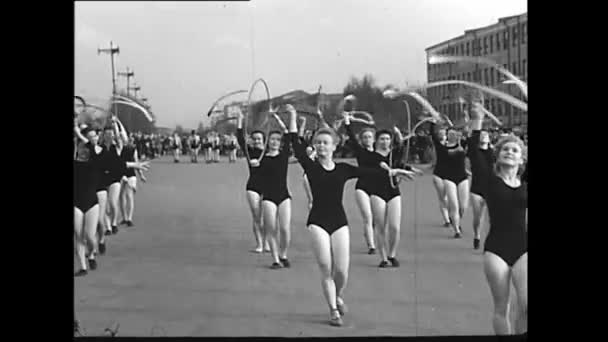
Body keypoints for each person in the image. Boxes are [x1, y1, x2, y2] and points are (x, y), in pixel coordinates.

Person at [287, 106, 416, 326]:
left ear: (334, 147)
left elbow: (369, 172)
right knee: (326, 268)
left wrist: (393, 172)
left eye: (326, 143)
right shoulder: (310, 166)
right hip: (317, 222)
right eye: (318, 143)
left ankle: (337, 295)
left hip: (339, 223)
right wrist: (291, 117)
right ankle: (333, 310)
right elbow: (294, 143)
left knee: (342, 272)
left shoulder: (343, 169)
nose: (321, 146)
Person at [469, 103, 527, 335]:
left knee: (526, 305)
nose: (509, 152)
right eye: (505, 149)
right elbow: (474, 152)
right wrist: (477, 122)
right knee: (502, 307)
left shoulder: (524, 183)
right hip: (496, 250)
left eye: (515, 150)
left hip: (523, 247)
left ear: (522, 159)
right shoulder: (488, 180)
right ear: (498, 155)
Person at [236, 111, 270, 253]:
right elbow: (240, 138)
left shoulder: (269, 152)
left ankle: (268, 242)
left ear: (264, 140)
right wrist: (240, 120)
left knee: (268, 217)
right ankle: (260, 244)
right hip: (253, 186)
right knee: (257, 216)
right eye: (254, 139)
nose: (256, 141)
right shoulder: (249, 151)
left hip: (268, 186)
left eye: (259, 139)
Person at [430, 121, 470, 238]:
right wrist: (433, 123)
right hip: (449, 178)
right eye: (450, 134)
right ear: (447, 135)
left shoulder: (462, 144)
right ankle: (457, 230)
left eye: (455, 134)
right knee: (454, 205)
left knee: (463, 206)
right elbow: (433, 136)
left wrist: (466, 119)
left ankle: (456, 220)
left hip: (462, 177)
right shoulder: (441, 147)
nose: (453, 135)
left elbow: (468, 132)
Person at [467, 127, 494, 250]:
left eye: (486, 134)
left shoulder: (494, 152)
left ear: (489, 138)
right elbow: (471, 140)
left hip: (491, 188)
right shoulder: (474, 151)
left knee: (492, 218)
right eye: (481, 134)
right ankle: (477, 235)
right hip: (477, 188)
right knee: (478, 216)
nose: (483, 136)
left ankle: (489, 243)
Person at [119, 135, 147, 227]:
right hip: (123, 174)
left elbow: (137, 163)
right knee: (123, 196)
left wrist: (141, 175)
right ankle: (125, 218)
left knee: (128, 196)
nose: (130, 142)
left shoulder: (130, 149)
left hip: (129, 174)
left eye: (131, 141)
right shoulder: (120, 148)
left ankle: (128, 218)